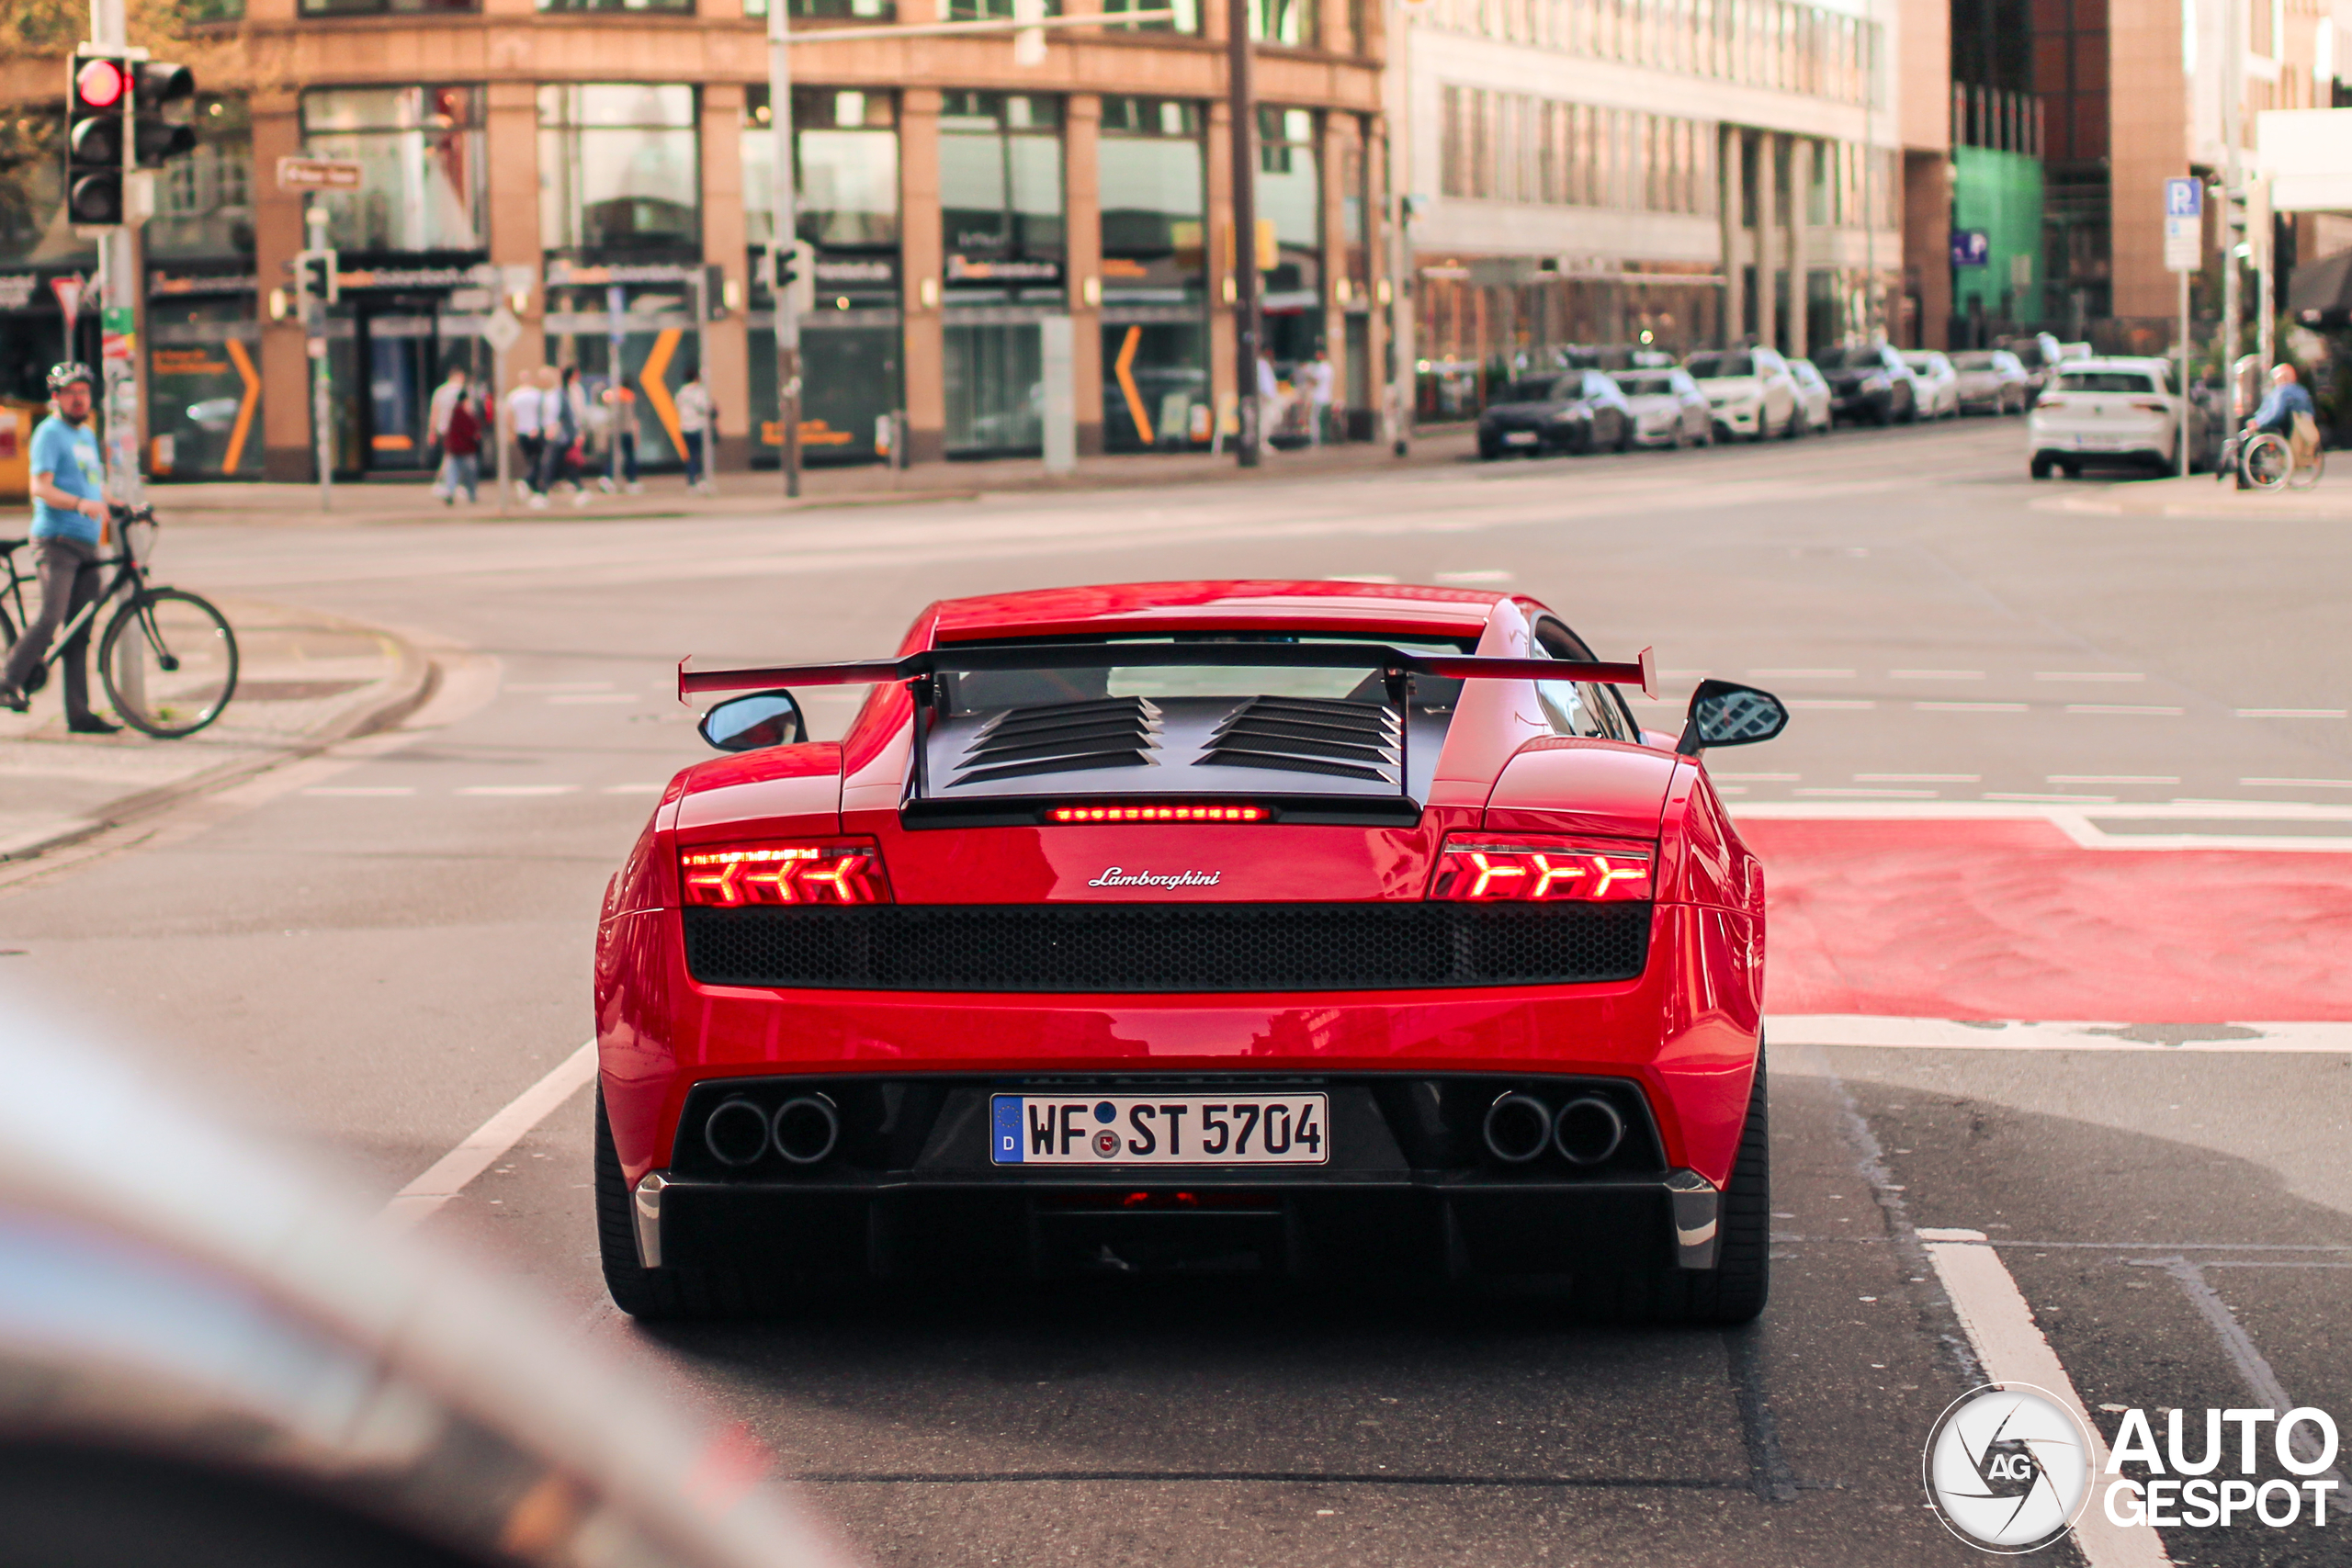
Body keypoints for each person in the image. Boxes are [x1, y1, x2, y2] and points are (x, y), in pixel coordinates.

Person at [0, 363, 119, 731]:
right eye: (71, 392)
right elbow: (41, 488)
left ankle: (79, 714)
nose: (79, 398)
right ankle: (7, 682)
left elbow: (92, 486)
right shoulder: (49, 433)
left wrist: (120, 506)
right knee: (51, 616)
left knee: (79, 631)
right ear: (56, 398)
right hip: (57, 541)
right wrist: (81, 506)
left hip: (87, 544)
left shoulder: (84, 436)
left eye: (84, 391)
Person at [504, 371, 546, 508]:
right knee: (537, 459)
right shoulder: (537, 395)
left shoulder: (514, 395)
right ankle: (526, 482)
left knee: (529, 458)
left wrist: (512, 430)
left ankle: (532, 487)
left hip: (520, 432)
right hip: (534, 431)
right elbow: (543, 413)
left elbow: (508, 414)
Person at [437, 387, 483, 504]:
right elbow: (472, 430)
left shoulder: (454, 413)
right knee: (470, 475)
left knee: (452, 474)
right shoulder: (465, 413)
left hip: (454, 449)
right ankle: (471, 495)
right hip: (466, 449)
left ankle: (450, 493)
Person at [676, 369, 715, 493]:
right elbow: (704, 406)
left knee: (691, 455)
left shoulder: (681, 393)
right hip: (698, 426)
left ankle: (691, 482)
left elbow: (678, 405)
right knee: (702, 454)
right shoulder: (698, 391)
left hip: (685, 427)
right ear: (696, 378)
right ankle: (702, 480)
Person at [602, 378, 641, 493]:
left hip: (613, 431)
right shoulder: (629, 396)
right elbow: (631, 416)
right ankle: (631, 481)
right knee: (629, 456)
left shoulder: (611, 394)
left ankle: (607, 477)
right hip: (627, 430)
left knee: (613, 456)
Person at [1300, 346, 1336, 446]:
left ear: (1323, 354)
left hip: (1319, 398)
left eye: (1318, 354)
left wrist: (1306, 374)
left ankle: (1316, 441)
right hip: (1326, 398)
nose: (1316, 356)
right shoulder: (1328, 367)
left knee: (1315, 421)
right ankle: (1323, 440)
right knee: (1322, 422)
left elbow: (1315, 381)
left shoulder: (1322, 367)